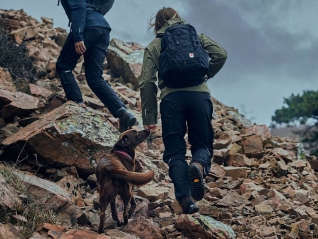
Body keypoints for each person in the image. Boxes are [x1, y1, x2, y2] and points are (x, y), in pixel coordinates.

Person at [138, 7, 227, 214]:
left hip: (171, 100)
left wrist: (149, 117)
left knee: (175, 152)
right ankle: (198, 164)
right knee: (202, 144)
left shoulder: (154, 45)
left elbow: (147, 82)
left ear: (157, 25)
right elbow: (221, 54)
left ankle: (187, 201)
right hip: (199, 97)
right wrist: (205, 76)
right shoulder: (195, 36)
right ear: (178, 18)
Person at [56, 0, 137, 132]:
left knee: (63, 66)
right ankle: (122, 112)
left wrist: (78, 36)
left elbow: (78, 6)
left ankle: (78, 106)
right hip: (103, 28)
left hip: (87, 26)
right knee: (94, 77)